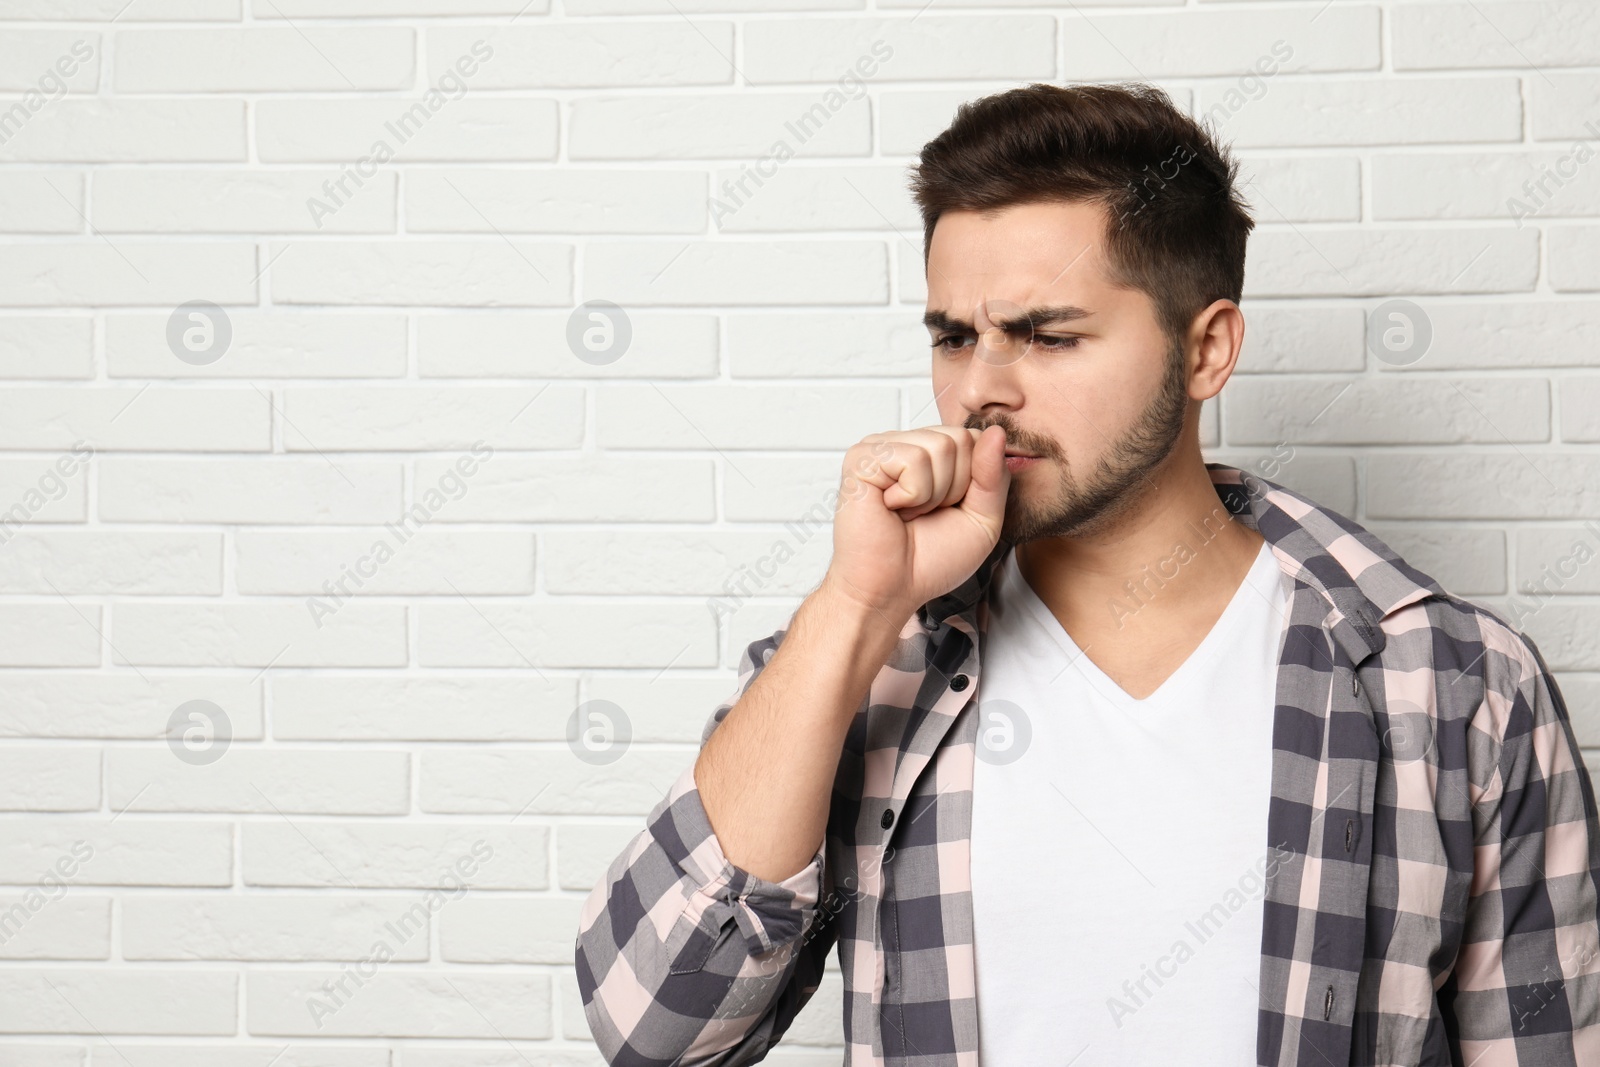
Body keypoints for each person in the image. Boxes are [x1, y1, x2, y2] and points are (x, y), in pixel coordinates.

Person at [574, 81, 1600, 1067]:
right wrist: (853, 608)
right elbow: (655, 1028)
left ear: (1206, 351)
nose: (981, 389)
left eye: (1047, 336)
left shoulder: (1447, 682)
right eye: (953, 335)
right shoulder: (872, 655)